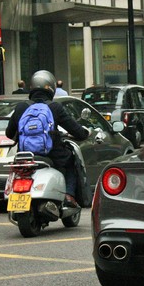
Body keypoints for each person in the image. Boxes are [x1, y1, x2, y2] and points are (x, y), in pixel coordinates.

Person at [6, 70, 89, 207]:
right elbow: (76, 131)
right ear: (51, 88)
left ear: (31, 87)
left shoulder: (21, 107)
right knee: (71, 161)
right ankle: (68, 195)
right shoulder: (54, 107)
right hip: (51, 152)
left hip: (25, 153)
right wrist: (84, 133)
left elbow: (9, 133)